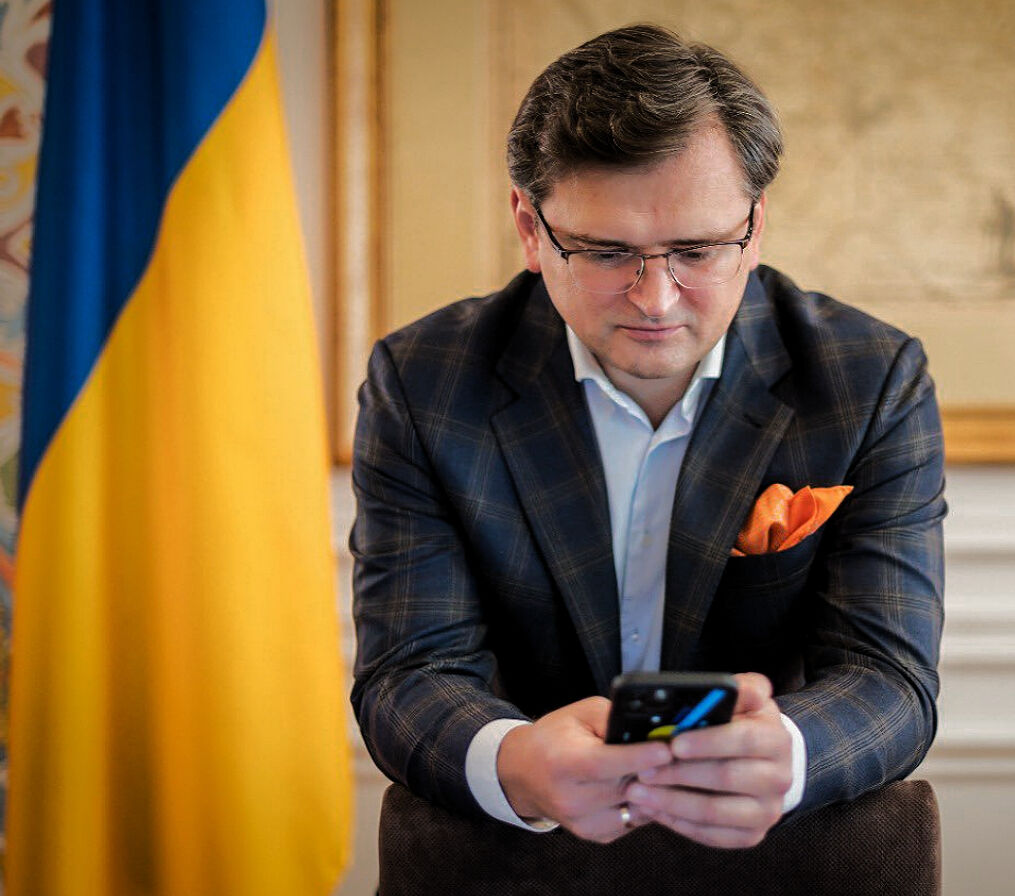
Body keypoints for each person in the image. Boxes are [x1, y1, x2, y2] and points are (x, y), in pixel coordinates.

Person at [350, 23, 945, 850]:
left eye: (696, 250)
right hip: (518, 854)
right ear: (529, 227)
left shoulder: (870, 379)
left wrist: (786, 756)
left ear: (755, 227)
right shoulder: (424, 382)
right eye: (604, 252)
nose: (655, 300)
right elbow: (409, 672)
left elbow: (889, 677)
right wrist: (516, 761)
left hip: (775, 851)